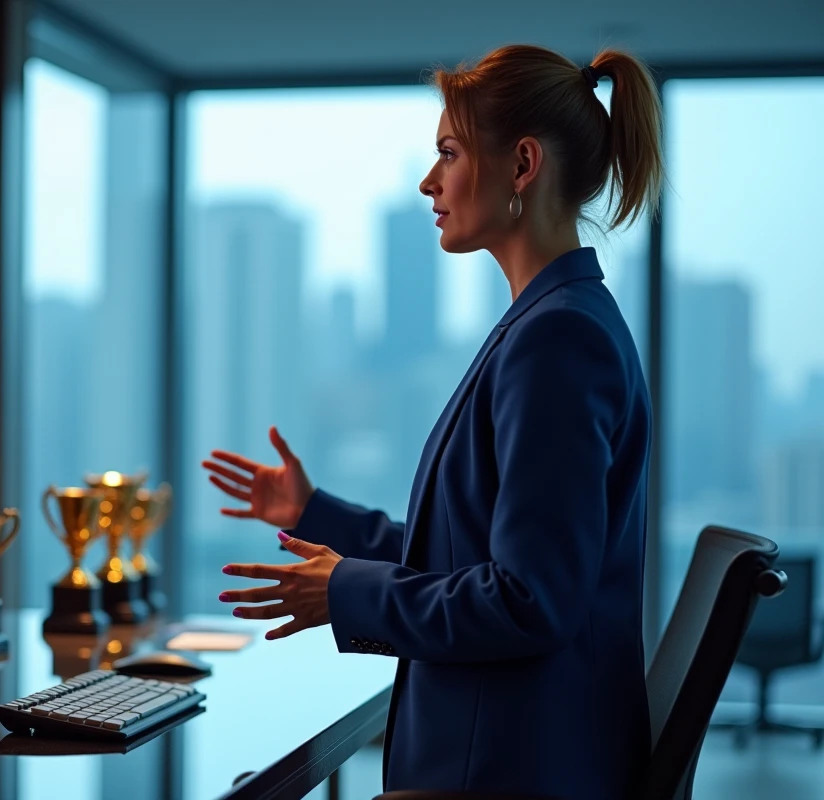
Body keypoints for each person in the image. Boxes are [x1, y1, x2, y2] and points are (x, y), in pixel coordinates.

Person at [202, 44, 662, 799]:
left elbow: (530, 600)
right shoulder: (548, 323)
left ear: (521, 166)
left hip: (505, 775)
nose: (429, 181)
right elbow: (464, 554)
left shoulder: (559, 339)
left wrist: (345, 592)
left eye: (448, 153)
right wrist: (316, 515)